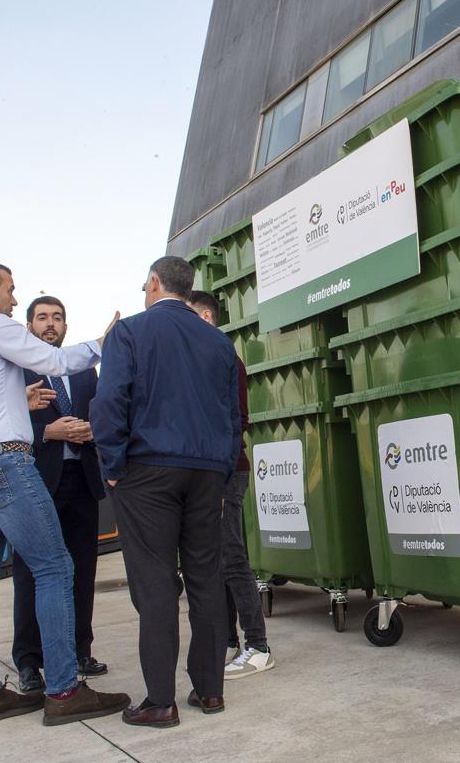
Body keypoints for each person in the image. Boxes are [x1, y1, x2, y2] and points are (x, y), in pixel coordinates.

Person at [0, 260, 130, 728]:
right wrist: (106, 342)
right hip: (3, 462)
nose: (14, 300)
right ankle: (63, 689)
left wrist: (11, 405)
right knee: (56, 567)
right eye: (9, 290)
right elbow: (58, 361)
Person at [91, 256, 242, 729]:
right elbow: (231, 416)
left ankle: (161, 700)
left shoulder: (129, 333)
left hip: (148, 470)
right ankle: (210, 690)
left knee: (156, 584)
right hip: (205, 473)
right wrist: (217, 475)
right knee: (205, 577)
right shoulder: (219, 343)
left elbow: (109, 401)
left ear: (154, 283)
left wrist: (112, 467)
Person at [11, 296, 110, 693]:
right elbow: (3, 422)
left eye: (57, 318)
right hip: (37, 481)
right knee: (31, 574)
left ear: (66, 326)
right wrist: (46, 432)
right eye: (42, 318)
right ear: (29, 325)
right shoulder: (15, 369)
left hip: (82, 478)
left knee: (83, 570)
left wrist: (91, 430)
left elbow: (103, 412)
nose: (50, 324)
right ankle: (29, 664)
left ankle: (79, 649)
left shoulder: (85, 372)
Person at [185, 290, 275, 679]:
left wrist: (217, 475)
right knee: (216, 558)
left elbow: (235, 420)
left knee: (231, 557)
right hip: (211, 472)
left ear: (205, 316)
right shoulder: (202, 358)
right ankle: (229, 640)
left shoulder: (223, 355)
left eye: (186, 315)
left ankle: (258, 645)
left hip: (226, 471)